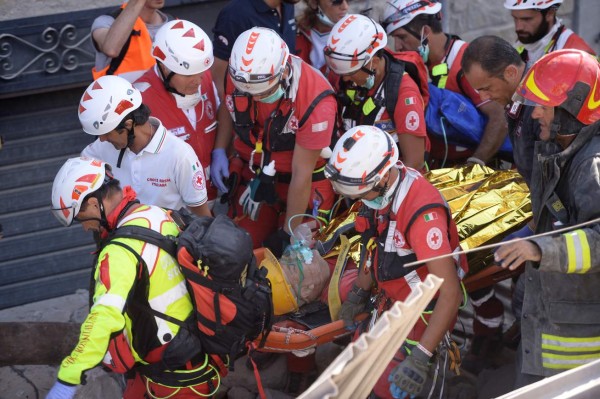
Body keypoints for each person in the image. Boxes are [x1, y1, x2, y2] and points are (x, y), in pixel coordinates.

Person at [46, 157, 225, 399]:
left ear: (92, 203)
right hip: (192, 345)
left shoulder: (119, 252)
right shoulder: (155, 213)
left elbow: (104, 316)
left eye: (81, 219)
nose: (85, 228)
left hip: (172, 368)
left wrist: (69, 375)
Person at [325, 125, 467, 398]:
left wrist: (420, 357)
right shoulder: (379, 193)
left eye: (359, 192)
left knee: (385, 387)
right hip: (391, 297)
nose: (356, 199)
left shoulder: (422, 216)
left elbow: (448, 293)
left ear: (381, 177)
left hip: (422, 313)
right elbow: (373, 245)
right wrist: (357, 293)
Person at [494, 49, 600, 388]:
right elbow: (557, 221)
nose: (535, 112)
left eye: (544, 105)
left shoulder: (591, 166)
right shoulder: (557, 150)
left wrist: (539, 250)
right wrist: (527, 235)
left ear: (571, 111)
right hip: (547, 323)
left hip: (573, 347)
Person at [222, 27, 337, 254]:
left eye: (262, 93)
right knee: (236, 248)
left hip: (306, 184)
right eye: (250, 93)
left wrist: (288, 232)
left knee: (298, 264)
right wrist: (220, 151)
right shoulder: (240, 74)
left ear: (284, 72)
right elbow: (228, 109)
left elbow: (301, 174)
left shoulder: (315, 100)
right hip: (257, 177)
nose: (256, 98)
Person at [382, 0, 508, 167]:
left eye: (401, 37)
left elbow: (500, 116)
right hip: (439, 167)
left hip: (472, 171)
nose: (398, 46)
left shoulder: (465, 62)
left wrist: (475, 164)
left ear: (425, 32)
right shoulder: (417, 65)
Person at [79, 75, 212, 217]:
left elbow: (203, 218)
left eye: (106, 133)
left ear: (128, 125)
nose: (102, 139)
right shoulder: (97, 151)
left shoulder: (180, 155)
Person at [210, 0, 300, 196]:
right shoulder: (235, 15)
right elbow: (222, 88)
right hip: (249, 133)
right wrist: (223, 147)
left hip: (285, 128)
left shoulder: (288, 5)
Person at [324, 14, 429, 171]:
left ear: (373, 62)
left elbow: (414, 163)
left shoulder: (404, 94)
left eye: (351, 72)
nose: (344, 78)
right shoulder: (346, 71)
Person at [134, 19, 220, 206]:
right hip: (169, 209)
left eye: (202, 72)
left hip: (209, 197)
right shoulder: (139, 100)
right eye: (188, 74)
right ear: (164, 67)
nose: (198, 81)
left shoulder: (204, 78)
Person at [91, 0, 171, 82]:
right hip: (118, 93)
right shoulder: (107, 22)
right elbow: (111, 49)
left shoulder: (174, 24)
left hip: (160, 94)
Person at [504, 0, 595, 70]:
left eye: (527, 19)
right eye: (515, 19)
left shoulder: (578, 54)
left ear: (550, 14)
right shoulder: (523, 43)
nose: (518, 27)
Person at [296, 0, 350, 73]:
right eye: (336, 1)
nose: (345, 7)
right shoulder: (295, 33)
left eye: (348, 0)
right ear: (314, 3)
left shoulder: (354, 37)